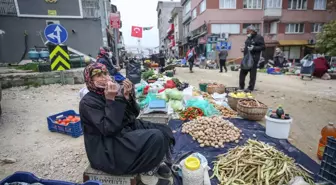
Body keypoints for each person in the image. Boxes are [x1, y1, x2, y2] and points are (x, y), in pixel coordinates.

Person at [79, 63, 175, 177]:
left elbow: (132, 116)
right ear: (90, 79)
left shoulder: (111, 91)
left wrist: (127, 97)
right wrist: (111, 100)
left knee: (164, 129)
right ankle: (148, 169)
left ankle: (157, 160)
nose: (104, 77)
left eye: (105, 73)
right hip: (107, 148)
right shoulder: (88, 102)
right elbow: (108, 129)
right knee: (156, 137)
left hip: (122, 129)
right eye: (98, 75)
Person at [239, 25, 265, 91]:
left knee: (252, 74)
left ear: (252, 31)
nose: (247, 33)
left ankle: (250, 88)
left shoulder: (259, 37)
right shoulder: (249, 38)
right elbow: (247, 46)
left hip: (254, 58)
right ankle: (241, 86)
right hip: (246, 58)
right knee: (242, 73)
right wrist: (244, 49)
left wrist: (254, 48)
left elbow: (263, 47)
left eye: (248, 31)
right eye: (246, 31)